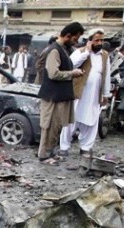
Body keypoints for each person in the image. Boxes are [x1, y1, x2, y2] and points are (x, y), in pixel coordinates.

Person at [37, 22, 85, 162]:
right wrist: (72, 73)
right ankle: (44, 155)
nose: (76, 42)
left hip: (59, 96)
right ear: (68, 36)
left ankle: (51, 153)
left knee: (57, 126)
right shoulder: (54, 51)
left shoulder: (63, 50)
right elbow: (53, 74)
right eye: (75, 39)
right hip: (53, 96)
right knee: (49, 126)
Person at [59, 29, 111, 156]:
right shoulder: (80, 52)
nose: (100, 43)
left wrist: (106, 94)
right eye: (97, 40)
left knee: (92, 121)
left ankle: (85, 148)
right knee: (71, 120)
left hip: (94, 95)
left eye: (102, 40)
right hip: (79, 93)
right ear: (89, 41)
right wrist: (86, 53)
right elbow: (70, 66)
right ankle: (64, 147)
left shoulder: (104, 55)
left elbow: (106, 75)